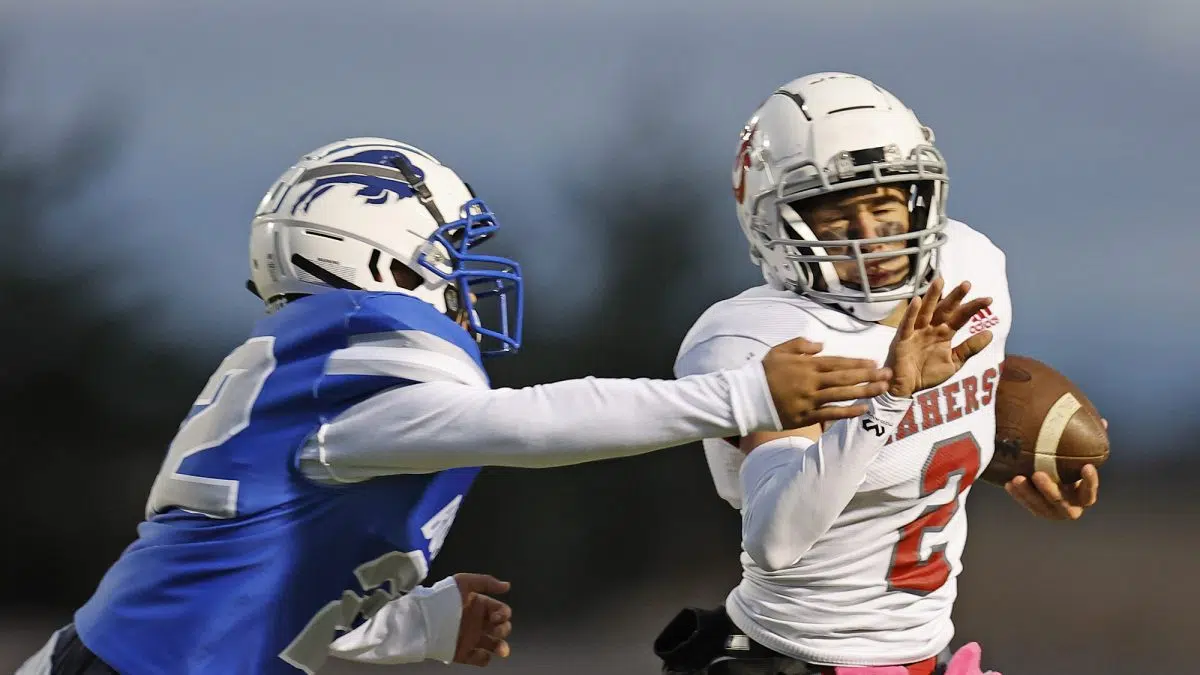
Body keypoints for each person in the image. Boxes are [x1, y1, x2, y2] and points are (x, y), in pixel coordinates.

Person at [16, 137, 894, 675]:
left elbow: (259, 586)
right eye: (446, 252)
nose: (467, 281)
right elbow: (530, 426)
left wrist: (415, 624)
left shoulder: (310, 375)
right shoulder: (350, 370)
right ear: (380, 262)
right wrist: (743, 392)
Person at [659, 73, 1102, 675]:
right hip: (796, 658)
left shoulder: (971, 267)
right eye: (837, 214)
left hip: (929, 651)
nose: (870, 235)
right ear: (776, 223)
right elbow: (778, 538)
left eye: (884, 203)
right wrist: (888, 398)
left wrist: (1032, 462)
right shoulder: (757, 337)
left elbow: (957, 414)